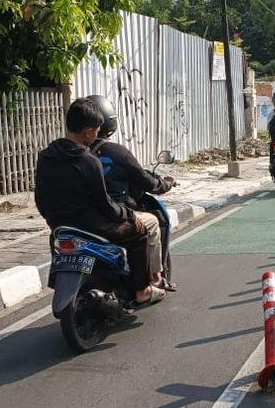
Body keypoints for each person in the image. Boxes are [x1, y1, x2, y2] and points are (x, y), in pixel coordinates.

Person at [34, 98, 164, 308]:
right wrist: (130, 216)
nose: (96, 135)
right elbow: (104, 204)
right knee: (140, 232)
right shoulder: (88, 161)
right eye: (95, 130)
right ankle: (143, 290)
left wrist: (53, 220)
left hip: (60, 226)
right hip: (93, 225)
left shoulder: (46, 156)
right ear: (88, 132)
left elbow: (40, 197)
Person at [85, 95, 177, 292]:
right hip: (113, 215)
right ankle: (152, 280)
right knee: (151, 223)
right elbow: (147, 181)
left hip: (76, 219)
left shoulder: (67, 154)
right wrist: (166, 184)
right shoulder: (116, 153)